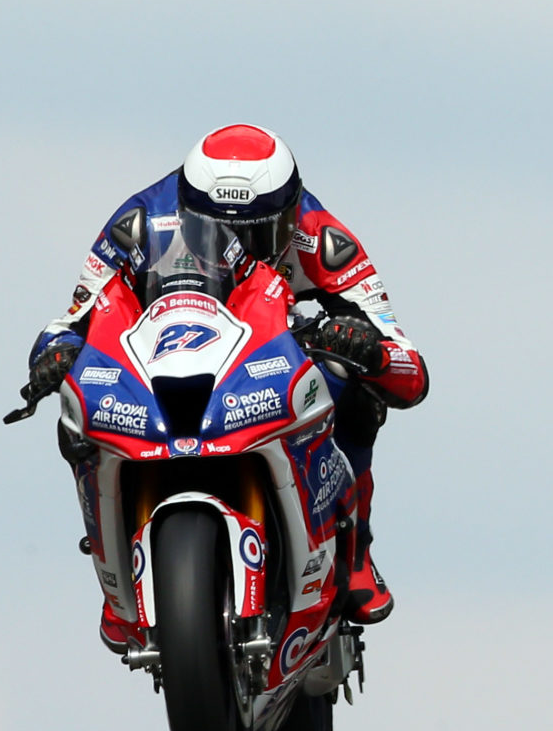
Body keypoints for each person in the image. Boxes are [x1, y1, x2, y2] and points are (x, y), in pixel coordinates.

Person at [23, 124, 427, 648]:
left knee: (355, 387)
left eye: (258, 234)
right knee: (78, 409)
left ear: (288, 215)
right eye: (220, 232)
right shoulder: (137, 222)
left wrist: (367, 348)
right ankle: (114, 579)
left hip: (271, 350)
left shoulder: (321, 238)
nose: (239, 249)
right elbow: (72, 320)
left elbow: (409, 367)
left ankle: (353, 556)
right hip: (167, 354)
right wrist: (52, 355)